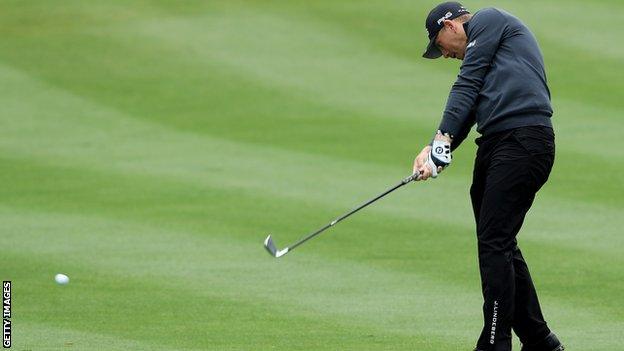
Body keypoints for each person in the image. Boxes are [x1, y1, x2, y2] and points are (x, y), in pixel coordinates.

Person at [412, 2, 564, 351]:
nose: (444, 54)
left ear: (450, 26)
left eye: (439, 44)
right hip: (497, 144)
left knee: (494, 241)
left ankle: (496, 342)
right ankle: (541, 340)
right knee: (499, 240)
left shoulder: (489, 20)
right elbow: (470, 103)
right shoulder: (489, 53)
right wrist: (436, 153)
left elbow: (466, 85)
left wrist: (441, 138)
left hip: (525, 140)